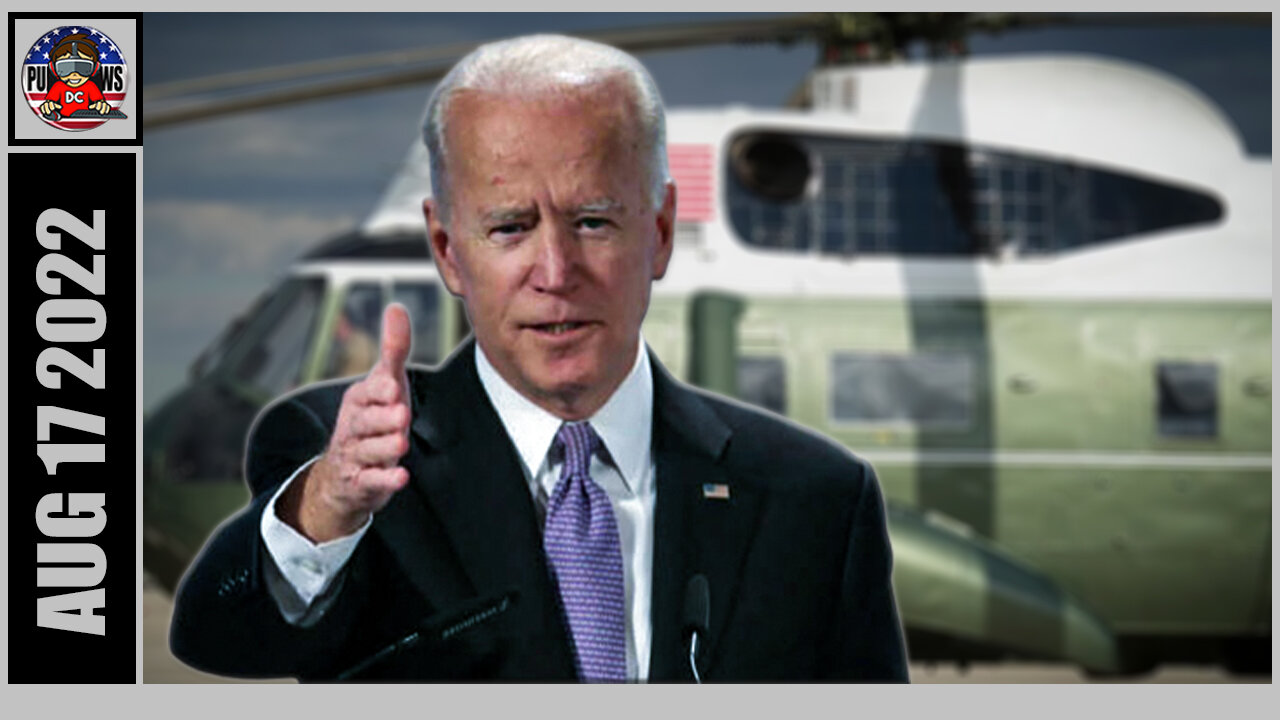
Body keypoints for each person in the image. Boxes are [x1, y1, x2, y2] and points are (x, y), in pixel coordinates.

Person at [170, 34, 908, 682]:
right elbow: (217, 636)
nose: (555, 271)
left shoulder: (817, 498)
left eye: (593, 222)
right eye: (510, 228)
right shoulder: (350, 461)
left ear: (657, 233)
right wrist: (326, 507)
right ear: (446, 251)